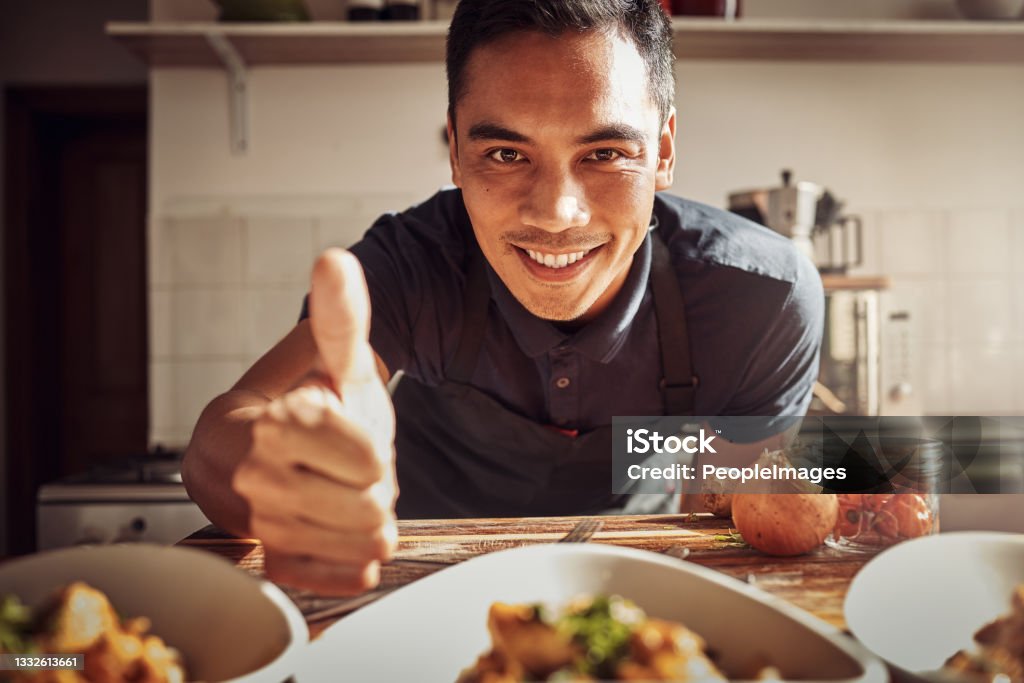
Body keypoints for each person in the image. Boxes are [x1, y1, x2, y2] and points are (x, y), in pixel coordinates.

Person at [182, 0, 824, 595]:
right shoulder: (412, 265)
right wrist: (291, 483)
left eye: (604, 151)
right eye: (505, 152)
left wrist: (855, 473)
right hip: (408, 585)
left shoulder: (759, 299)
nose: (556, 213)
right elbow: (221, 436)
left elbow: (736, 497)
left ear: (661, 150)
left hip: (623, 588)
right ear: (457, 153)